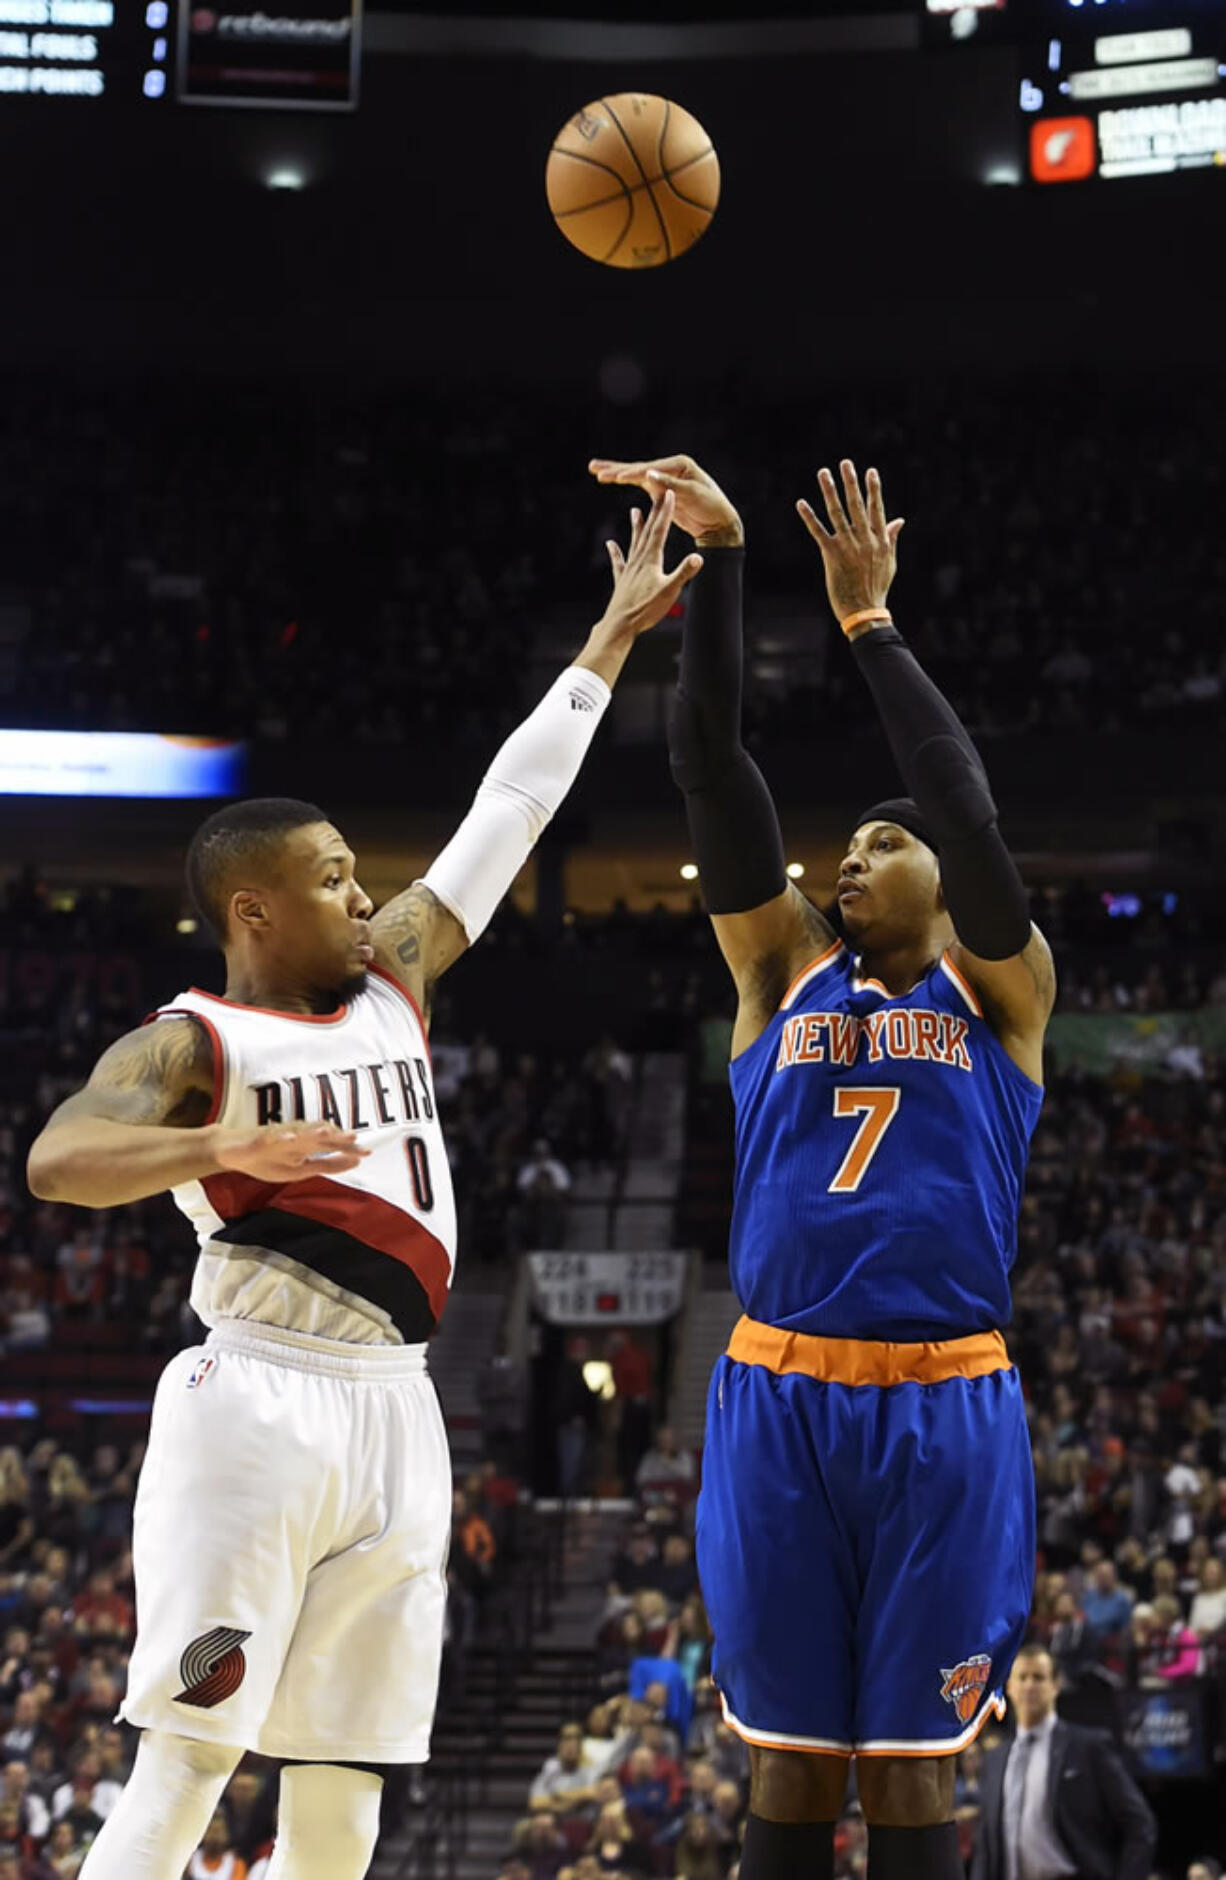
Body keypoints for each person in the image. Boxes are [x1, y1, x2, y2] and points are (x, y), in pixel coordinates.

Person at [24, 485, 701, 1880]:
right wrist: (219, 1149)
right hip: (255, 1395)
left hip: (401, 1405)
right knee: (192, 1757)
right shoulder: (192, 1040)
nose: (360, 893)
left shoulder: (392, 981)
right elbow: (59, 1159)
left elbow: (505, 812)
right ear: (250, 911)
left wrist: (607, 642)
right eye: (329, 880)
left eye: (355, 875)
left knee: (344, 1786)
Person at [591, 452, 1055, 1880]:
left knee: (912, 1782)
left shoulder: (1005, 991)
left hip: (944, 1403)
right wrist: (723, 563)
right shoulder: (777, 972)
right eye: (838, 851)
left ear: (931, 881)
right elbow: (709, 763)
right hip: (778, 1393)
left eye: (870, 847)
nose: (842, 865)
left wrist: (869, 631)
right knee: (785, 1765)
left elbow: (960, 812)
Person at [970, 1644, 1156, 1880]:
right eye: (1022, 1677)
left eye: (1038, 1677)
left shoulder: (1089, 1748)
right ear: (1009, 1687)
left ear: (1056, 1685)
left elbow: (1140, 1824)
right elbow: (985, 1846)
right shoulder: (994, 1759)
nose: (1029, 1686)